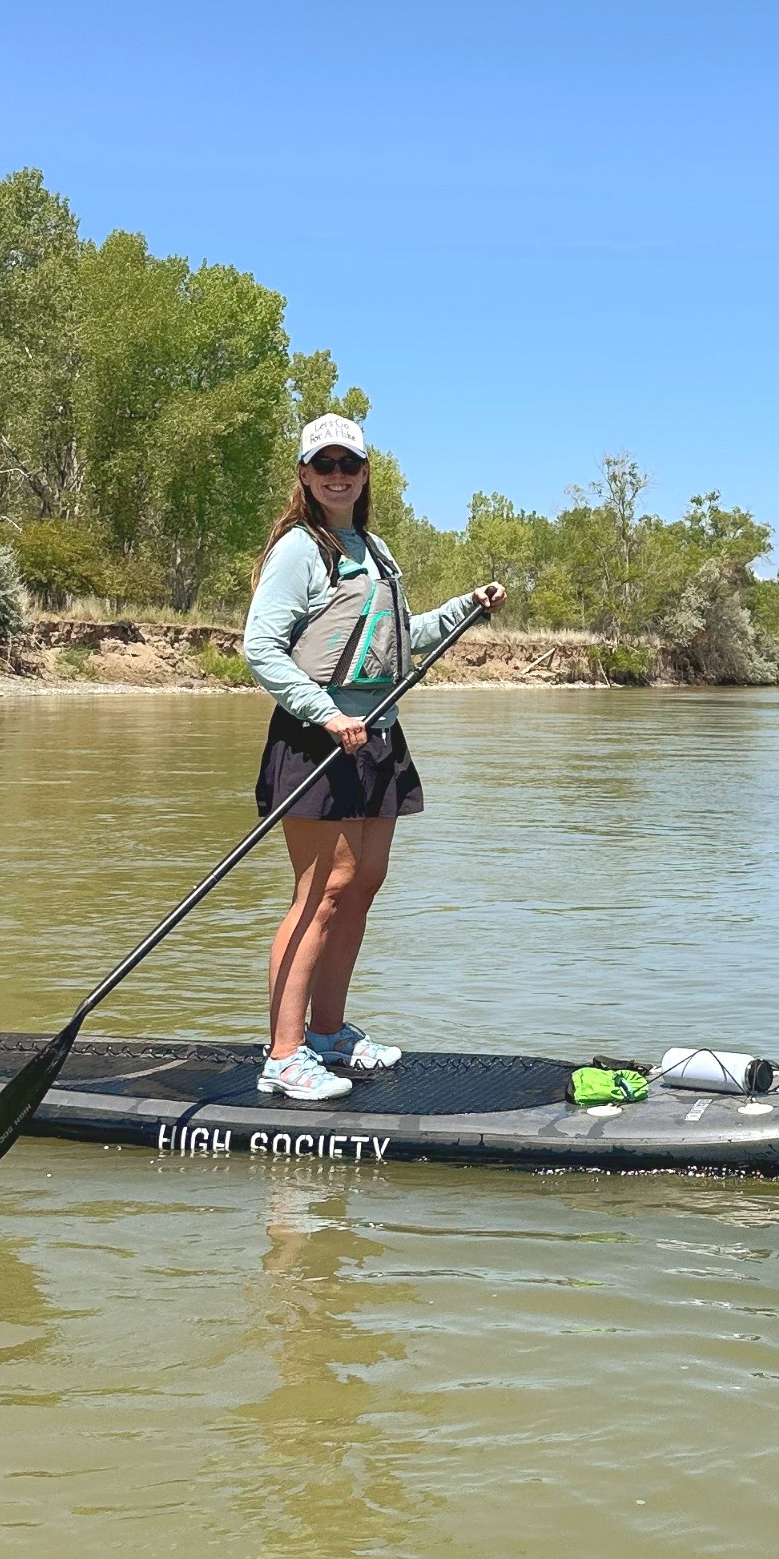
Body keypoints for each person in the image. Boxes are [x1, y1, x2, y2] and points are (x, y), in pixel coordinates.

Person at [241, 414, 506, 1104]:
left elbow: (399, 638)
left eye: (348, 464)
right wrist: (325, 712)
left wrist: (462, 610)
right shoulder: (301, 550)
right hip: (318, 739)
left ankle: (327, 1033)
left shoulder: (377, 549)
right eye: (323, 464)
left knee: (360, 886)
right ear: (304, 474)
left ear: (364, 473)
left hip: (379, 737)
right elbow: (260, 646)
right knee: (318, 895)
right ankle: (284, 1054)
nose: (337, 475)